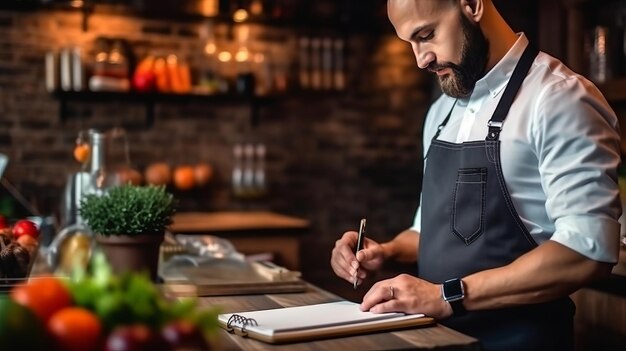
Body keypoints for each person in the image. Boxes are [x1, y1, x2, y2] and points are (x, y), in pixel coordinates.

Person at [330, 1, 622, 350]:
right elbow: (431, 229)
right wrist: (385, 251)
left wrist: (446, 296)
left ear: (471, 5)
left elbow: (588, 251)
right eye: (410, 43)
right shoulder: (441, 111)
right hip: (439, 341)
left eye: (426, 35)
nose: (420, 59)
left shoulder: (559, 99)